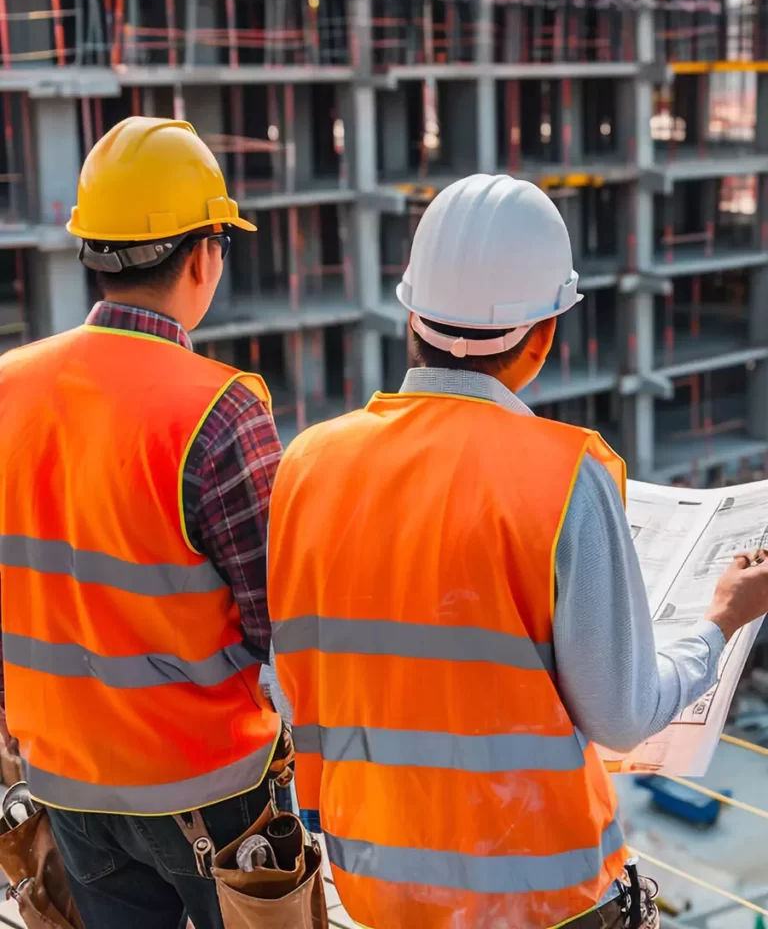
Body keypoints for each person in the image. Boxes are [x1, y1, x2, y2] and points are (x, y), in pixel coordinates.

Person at [267, 173, 768, 929]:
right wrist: (719, 623)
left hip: (376, 894)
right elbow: (623, 717)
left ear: (412, 316)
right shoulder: (567, 474)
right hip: (541, 902)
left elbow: (294, 685)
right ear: (543, 338)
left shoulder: (306, 464)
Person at [0, 117, 287, 929]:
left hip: (66, 787)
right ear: (202, 255)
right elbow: (285, 627)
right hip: (213, 796)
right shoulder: (220, 410)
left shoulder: (6, 389)